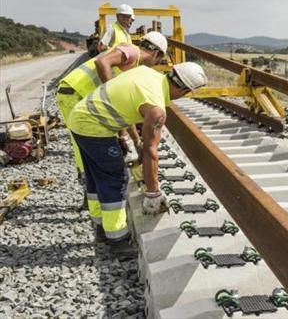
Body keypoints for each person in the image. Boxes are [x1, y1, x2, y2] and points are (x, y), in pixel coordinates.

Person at [67, 62, 208, 258]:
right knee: (115, 178)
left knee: (95, 175)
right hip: (93, 127)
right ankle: (117, 241)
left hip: (79, 117)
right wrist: (152, 193)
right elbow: (151, 150)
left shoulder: (147, 73)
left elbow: (125, 106)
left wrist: (132, 139)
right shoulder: (157, 109)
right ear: (184, 90)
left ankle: (100, 227)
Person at [56, 32, 168, 181]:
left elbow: (122, 110)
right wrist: (110, 91)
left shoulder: (132, 64)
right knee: (83, 143)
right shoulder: (132, 51)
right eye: (159, 60)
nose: (155, 65)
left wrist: (134, 140)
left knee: (89, 142)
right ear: (156, 54)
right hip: (74, 92)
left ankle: (91, 184)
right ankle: (88, 182)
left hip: (76, 93)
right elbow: (102, 62)